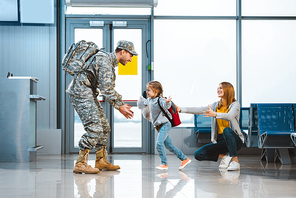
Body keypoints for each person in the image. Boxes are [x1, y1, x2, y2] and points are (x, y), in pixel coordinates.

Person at [67, 40, 137, 174]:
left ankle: (100, 160)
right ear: (123, 52)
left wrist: (120, 104)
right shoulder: (105, 61)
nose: (131, 59)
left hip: (87, 92)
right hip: (81, 92)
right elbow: (107, 90)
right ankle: (80, 163)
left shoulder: (106, 60)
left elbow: (106, 88)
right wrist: (120, 106)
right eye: (130, 55)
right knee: (95, 128)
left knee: (104, 127)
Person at [176, 82, 244, 171]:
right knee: (198, 154)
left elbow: (230, 116)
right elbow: (199, 110)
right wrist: (181, 109)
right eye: (218, 88)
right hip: (221, 140)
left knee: (227, 130)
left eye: (221, 88)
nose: (218, 90)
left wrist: (215, 114)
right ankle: (226, 157)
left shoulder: (235, 104)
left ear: (227, 90)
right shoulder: (216, 105)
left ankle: (235, 162)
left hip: (235, 140)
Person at [137, 81, 191, 170]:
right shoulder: (150, 100)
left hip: (165, 124)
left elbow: (165, 104)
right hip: (159, 127)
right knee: (169, 146)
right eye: (147, 90)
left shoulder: (160, 100)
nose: (147, 92)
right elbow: (144, 103)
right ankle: (184, 159)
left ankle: (164, 163)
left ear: (156, 91)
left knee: (159, 143)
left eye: (148, 90)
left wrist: (167, 101)